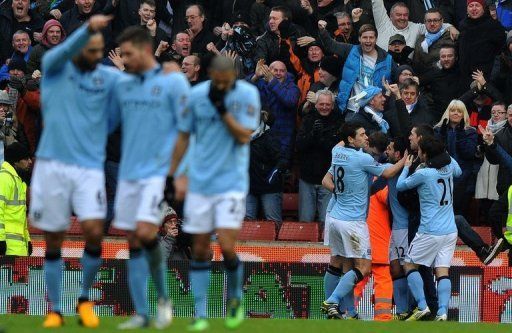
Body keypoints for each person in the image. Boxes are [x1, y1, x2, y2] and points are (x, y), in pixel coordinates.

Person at [28, 15, 118, 329]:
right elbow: (59, 52)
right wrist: (89, 28)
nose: (94, 56)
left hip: (88, 167)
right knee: (54, 240)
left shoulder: (107, 78)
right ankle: (54, 309)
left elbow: (124, 106)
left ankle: (83, 300)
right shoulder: (54, 68)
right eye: (89, 49)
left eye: (98, 51)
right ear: (77, 48)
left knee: (94, 230)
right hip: (51, 164)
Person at [169, 56, 260, 331]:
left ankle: (234, 299)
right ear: (211, 74)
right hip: (200, 182)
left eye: (227, 80)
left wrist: (222, 111)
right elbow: (184, 136)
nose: (223, 84)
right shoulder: (195, 96)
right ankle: (200, 313)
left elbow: (244, 136)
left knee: (228, 246)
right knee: (199, 248)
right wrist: (175, 174)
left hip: (231, 182)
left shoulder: (247, 94)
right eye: (219, 80)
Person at [109, 26, 191, 330]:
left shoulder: (169, 79)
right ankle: (145, 311)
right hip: (130, 173)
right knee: (135, 241)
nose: (125, 59)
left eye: (128, 53)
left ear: (144, 50)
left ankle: (159, 305)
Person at [321, 122, 406, 319]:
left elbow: (326, 180)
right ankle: (332, 301)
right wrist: (406, 161)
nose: (365, 137)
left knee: (338, 263)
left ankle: (346, 312)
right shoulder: (362, 158)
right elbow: (388, 173)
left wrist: (342, 193)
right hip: (353, 221)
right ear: (351, 139)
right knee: (364, 267)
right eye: (361, 134)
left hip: (334, 215)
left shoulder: (336, 152)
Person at [397, 136, 462, 321]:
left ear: (425, 154)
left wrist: (406, 168)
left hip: (429, 230)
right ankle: (442, 311)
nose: (417, 154)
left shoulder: (424, 174)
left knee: (409, 264)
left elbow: (401, 186)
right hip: (450, 231)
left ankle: (422, 305)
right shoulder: (449, 168)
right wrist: (445, 154)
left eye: (419, 152)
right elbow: (459, 171)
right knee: (442, 270)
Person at [316, 22, 393, 115]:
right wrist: (323, 31)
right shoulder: (351, 50)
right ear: (359, 39)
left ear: (376, 39)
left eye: (371, 37)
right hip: (353, 108)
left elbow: (398, 76)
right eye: (364, 37)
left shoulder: (386, 58)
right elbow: (331, 45)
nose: (368, 41)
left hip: (375, 109)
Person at [296, 90, 342, 223]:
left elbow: (337, 151)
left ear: (333, 105)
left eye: (328, 104)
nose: (324, 107)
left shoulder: (338, 122)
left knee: (326, 220)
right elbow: (299, 144)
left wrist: (321, 138)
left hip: (328, 179)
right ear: (315, 105)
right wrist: (312, 135)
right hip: (307, 177)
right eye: (321, 104)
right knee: (305, 220)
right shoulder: (307, 120)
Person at [250, 60, 300, 169]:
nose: (278, 73)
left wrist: (272, 81)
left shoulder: (293, 88)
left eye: (282, 71)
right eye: (275, 70)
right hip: (259, 141)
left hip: (282, 142)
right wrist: (255, 77)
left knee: (278, 178)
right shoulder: (260, 83)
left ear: (286, 73)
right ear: (268, 71)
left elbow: (289, 101)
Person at [434, 100, 478, 219]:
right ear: (448, 112)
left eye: (459, 111)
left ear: (464, 114)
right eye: (453, 110)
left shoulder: (470, 132)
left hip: (463, 181)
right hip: (441, 180)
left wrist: (461, 135)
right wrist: (442, 136)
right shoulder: (438, 130)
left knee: (458, 215)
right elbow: (435, 153)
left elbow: (469, 153)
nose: (456, 113)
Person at [371, 0, 456, 50]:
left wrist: (450, 27)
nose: (402, 17)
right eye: (398, 15)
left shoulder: (415, 28)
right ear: (391, 16)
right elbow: (376, 3)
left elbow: (435, 25)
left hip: (406, 73)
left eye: (405, 15)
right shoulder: (383, 23)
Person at [458, 0, 505, 89]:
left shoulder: (494, 26)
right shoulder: (463, 25)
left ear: (483, 8)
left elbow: (499, 52)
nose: (474, 8)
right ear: (467, 9)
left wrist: (491, 76)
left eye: (477, 5)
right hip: (465, 78)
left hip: (486, 77)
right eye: (471, 6)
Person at [246, 110, 283, 224]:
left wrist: (271, 178)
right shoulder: (240, 137)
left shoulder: (270, 136)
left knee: (273, 222)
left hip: (269, 187)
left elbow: (281, 161)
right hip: (248, 186)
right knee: (246, 222)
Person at [0, 142, 32, 257]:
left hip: (18, 249)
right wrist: (0, 240)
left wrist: (27, 240)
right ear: (15, 161)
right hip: (7, 250)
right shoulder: (4, 179)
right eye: (26, 158)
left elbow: (20, 217)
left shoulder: (18, 181)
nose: (30, 162)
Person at [0, 0, 44, 64]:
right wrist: (6, 58)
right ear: (12, 4)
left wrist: (43, 40)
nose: (20, 2)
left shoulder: (39, 24)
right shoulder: (2, 19)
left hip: (28, 68)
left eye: (24, 0)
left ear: (29, 5)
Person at [413, 9, 452, 74]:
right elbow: (416, 65)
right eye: (429, 21)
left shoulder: (451, 37)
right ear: (425, 22)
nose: (432, 24)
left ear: (442, 21)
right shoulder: (420, 41)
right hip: (427, 80)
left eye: (435, 20)